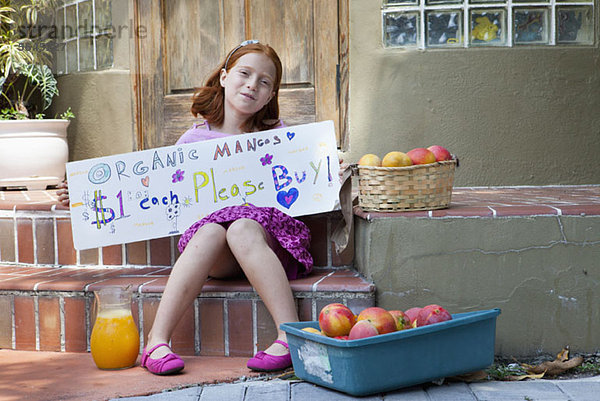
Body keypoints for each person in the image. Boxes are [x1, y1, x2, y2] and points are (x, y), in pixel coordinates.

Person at [58, 40, 337, 375]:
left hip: (265, 243)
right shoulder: (191, 143)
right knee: (208, 231)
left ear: (270, 95)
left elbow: (308, 180)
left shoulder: (279, 136)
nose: (252, 85)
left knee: (242, 226)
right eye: (244, 74)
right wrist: (85, 198)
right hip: (218, 253)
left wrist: (331, 168)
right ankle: (156, 342)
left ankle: (289, 335)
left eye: (265, 82)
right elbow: (154, 190)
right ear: (223, 77)